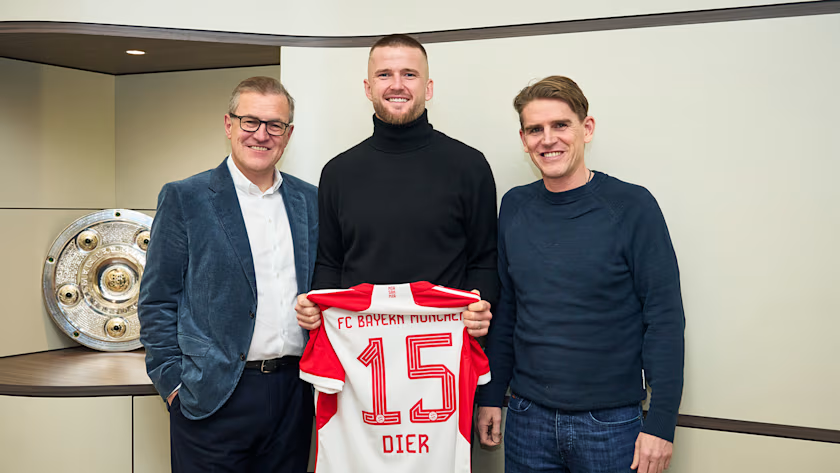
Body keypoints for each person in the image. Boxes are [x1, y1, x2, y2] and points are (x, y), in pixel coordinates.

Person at [476, 76, 685, 473]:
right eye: (535, 129)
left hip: (611, 425)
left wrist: (661, 423)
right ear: (523, 140)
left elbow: (664, 319)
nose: (548, 139)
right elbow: (508, 312)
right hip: (526, 419)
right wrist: (490, 395)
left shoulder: (632, 206)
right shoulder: (515, 207)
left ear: (586, 129)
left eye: (560, 125)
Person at [138, 76, 318, 473]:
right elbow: (157, 299)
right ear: (228, 124)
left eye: (275, 125)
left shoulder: (310, 200)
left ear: (288, 134)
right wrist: (174, 385)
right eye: (250, 121)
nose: (261, 135)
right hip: (212, 396)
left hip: (294, 394)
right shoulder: (186, 198)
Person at [295, 34, 496, 337]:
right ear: (368, 88)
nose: (397, 84)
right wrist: (316, 306)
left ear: (428, 88)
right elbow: (330, 264)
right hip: (360, 349)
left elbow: (484, 261)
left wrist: (482, 304)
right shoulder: (337, 173)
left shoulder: (470, 166)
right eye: (385, 74)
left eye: (409, 74)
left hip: (443, 347)